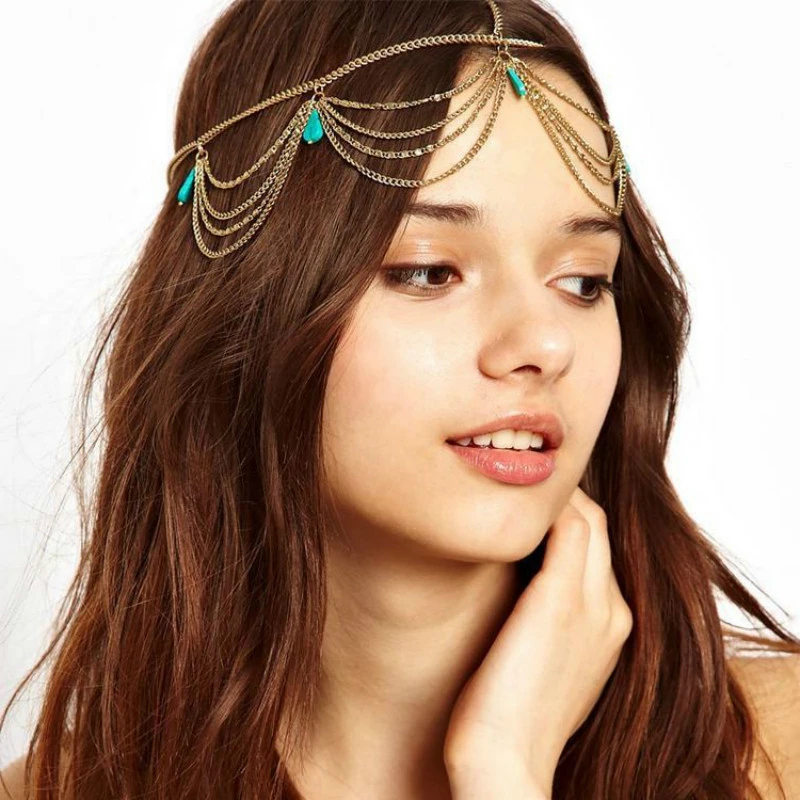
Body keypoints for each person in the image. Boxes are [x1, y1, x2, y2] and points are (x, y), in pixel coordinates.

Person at [2, 0, 799, 798]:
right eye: (429, 272)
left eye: (585, 282)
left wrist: (504, 769)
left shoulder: (778, 747)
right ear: (247, 316)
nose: (546, 343)